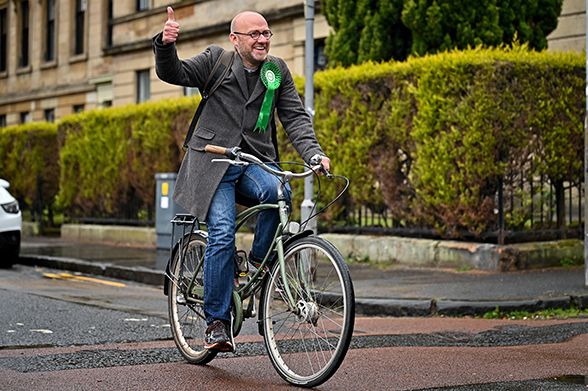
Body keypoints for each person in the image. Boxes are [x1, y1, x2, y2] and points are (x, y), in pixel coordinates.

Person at [153, 7, 330, 352]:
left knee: (280, 192)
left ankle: (256, 267)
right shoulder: (215, 61)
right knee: (221, 230)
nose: (262, 39)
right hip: (213, 162)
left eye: (266, 33)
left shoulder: (276, 70)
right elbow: (174, 72)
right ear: (236, 40)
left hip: (253, 162)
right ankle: (216, 322)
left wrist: (314, 154)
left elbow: (294, 118)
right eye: (255, 34)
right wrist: (165, 44)